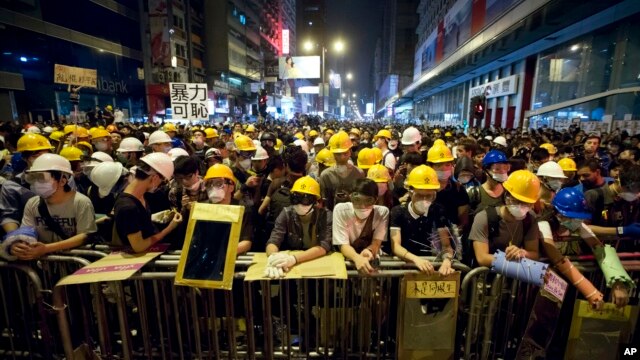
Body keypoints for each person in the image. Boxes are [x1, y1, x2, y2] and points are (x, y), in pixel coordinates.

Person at [540, 188, 632, 308]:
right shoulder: (543, 225)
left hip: (566, 287)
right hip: (542, 287)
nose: (578, 221)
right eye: (573, 217)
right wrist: (591, 292)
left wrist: (618, 283)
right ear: (559, 214)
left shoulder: (577, 225)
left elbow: (600, 249)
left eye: (579, 217)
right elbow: (557, 259)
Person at [7, 154, 97, 260]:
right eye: (33, 178)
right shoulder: (32, 203)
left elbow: (85, 236)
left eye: (41, 178)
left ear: (62, 181)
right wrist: (16, 245)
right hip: (45, 267)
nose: (36, 183)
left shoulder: (80, 202)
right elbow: (26, 233)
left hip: (74, 263)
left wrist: (47, 248)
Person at [390, 165, 455, 275]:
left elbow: (446, 246)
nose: (424, 200)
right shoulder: (398, 212)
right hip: (403, 268)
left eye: (429, 196)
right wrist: (416, 260)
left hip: (430, 268)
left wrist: (447, 261)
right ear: (410, 192)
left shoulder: (438, 211)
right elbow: (396, 246)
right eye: (419, 195)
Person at [113, 153, 183, 253]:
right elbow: (139, 246)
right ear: (154, 178)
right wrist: (169, 228)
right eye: (162, 182)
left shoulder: (140, 195)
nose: (160, 186)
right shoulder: (128, 207)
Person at [469, 170, 541, 267]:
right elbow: (482, 258)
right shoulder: (484, 217)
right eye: (516, 201)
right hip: (488, 276)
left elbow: (534, 254)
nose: (521, 206)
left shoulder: (530, 219)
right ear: (506, 195)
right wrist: (512, 258)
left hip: (514, 278)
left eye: (526, 203)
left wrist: (522, 253)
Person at [264, 176, 332, 278]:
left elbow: (323, 246)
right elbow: (274, 240)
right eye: (296, 198)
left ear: (315, 201)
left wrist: (293, 259)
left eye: (305, 199)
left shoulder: (325, 215)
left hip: (316, 262)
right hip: (293, 267)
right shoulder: (287, 213)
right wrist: (274, 259)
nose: (300, 204)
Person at [332, 178, 389, 275]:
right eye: (357, 200)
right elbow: (342, 244)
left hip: (371, 258)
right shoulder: (341, 210)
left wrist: (369, 250)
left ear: (376, 200)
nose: (362, 206)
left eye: (368, 201)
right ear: (351, 197)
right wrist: (357, 258)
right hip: (347, 259)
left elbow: (376, 242)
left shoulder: (382, 213)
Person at [0, 133, 53, 233]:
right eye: (36, 155)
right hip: (29, 236)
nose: (42, 159)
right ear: (24, 157)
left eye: (46, 155)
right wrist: (15, 237)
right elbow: (9, 216)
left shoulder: (64, 178)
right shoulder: (12, 186)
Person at [203, 164, 253, 254]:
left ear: (231, 187)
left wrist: (223, 252)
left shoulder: (242, 209)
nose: (213, 188)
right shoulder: (203, 208)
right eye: (209, 184)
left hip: (231, 257)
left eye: (218, 183)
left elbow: (246, 242)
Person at [428, 141, 470, 230]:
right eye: (438, 165)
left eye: (447, 165)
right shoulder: (424, 189)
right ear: (430, 166)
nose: (444, 169)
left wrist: (454, 236)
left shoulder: (458, 189)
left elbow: (463, 221)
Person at [319, 131, 364, 211]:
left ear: (350, 151)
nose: (342, 157)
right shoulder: (326, 175)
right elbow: (324, 202)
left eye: (345, 153)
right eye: (338, 154)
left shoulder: (359, 173)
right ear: (332, 153)